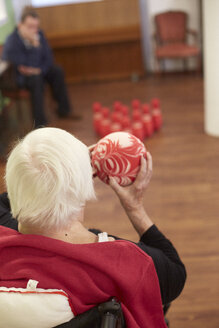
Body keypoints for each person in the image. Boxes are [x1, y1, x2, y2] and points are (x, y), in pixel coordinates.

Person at [0, 128, 186, 328]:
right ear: (84, 187)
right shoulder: (124, 262)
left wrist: (34, 179)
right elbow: (175, 271)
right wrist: (135, 208)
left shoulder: (5, 232)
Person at [1, 6, 80, 128]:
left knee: (57, 70)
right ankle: (40, 124)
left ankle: (64, 110)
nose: (34, 30)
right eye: (30, 27)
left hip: (38, 71)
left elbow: (48, 58)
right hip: (19, 77)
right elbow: (21, 66)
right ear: (20, 25)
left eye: (36, 27)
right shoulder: (12, 41)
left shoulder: (40, 35)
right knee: (36, 79)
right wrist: (34, 47)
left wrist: (39, 69)